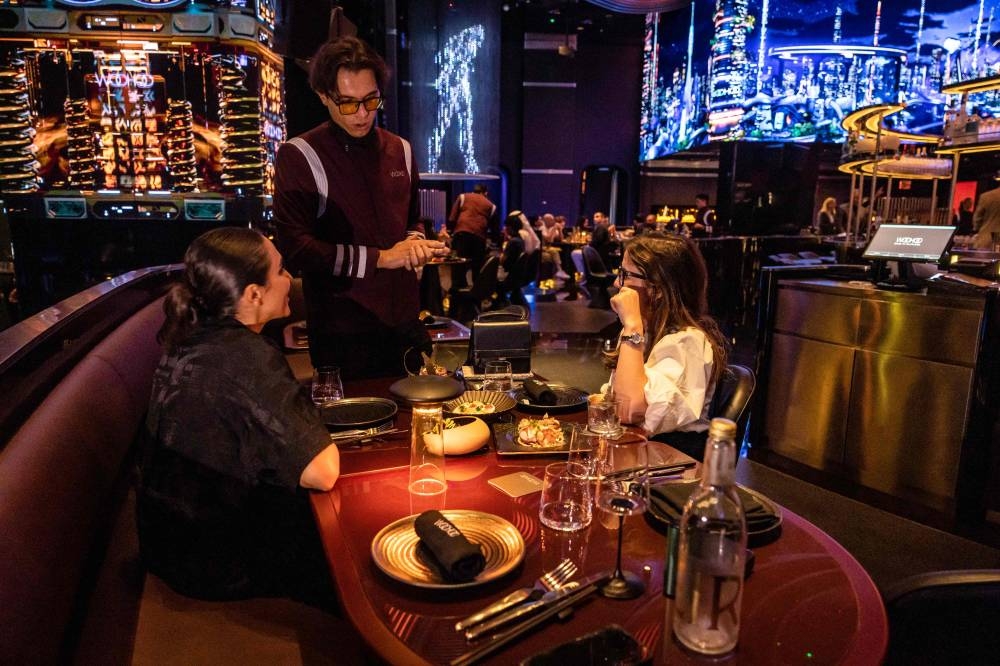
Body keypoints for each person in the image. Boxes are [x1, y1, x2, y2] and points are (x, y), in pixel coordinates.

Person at [137, 227, 341, 603]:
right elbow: (323, 471)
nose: (289, 280)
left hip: (171, 547)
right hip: (219, 565)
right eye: (281, 270)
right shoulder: (246, 355)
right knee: (361, 548)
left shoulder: (190, 336)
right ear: (253, 294)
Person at [274, 36, 448, 379]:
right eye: (349, 103)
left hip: (403, 321)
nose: (364, 113)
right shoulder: (300, 155)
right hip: (342, 329)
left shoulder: (401, 149)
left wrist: (415, 244)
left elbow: (411, 218)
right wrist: (383, 258)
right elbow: (297, 249)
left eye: (371, 99)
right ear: (324, 97)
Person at [607, 232, 728, 460]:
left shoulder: (688, 342)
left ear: (658, 288)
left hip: (668, 468)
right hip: (639, 455)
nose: (616, 283)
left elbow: (628, 408)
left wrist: (632, 326)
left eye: (625, 274)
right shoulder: (649, 330)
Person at [447, 182, 498, 281]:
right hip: (479, 238)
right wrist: (493, 242)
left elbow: (452, 218)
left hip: (462, 234)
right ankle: (476, 291)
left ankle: (458, 291)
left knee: (459, 265)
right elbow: (494, 227)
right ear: (486, 193)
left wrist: (452, 234)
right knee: (477, 267)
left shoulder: (463, 197)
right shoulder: (491, 206)